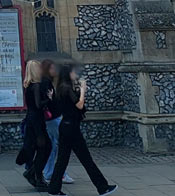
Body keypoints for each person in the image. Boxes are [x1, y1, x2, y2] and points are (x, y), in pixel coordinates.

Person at [47, 65, 117, 196]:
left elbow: (60, 105)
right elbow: (79, 105)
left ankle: (54, 189)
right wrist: (83, 90)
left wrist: (78, 90)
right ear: (68, 74)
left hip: (65, 126)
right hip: (72, 128)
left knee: (62, 160)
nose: (76, 74)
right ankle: (103, 187)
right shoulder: (67, 88)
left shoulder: (60, 88)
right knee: (86, 159)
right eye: (74, 72)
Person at [15, 59, 52, 190]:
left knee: (44, 147)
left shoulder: (29, 85)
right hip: (36, 120)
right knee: (45, 147)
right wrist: (49, 98)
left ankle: (35, 175)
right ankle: (35, 175)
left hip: (33, 119)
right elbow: (38, 105)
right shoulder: (35, 86)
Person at [39, 60, 74, 186]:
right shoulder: (46, 82)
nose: (55, 71)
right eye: (53, 68)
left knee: (53, 146)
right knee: (63, 144)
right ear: (48, 69)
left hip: (50, 119)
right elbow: (48, 102)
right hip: (53, 118)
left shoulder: (43, 81)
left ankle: (49, 172)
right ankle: (61, 174)